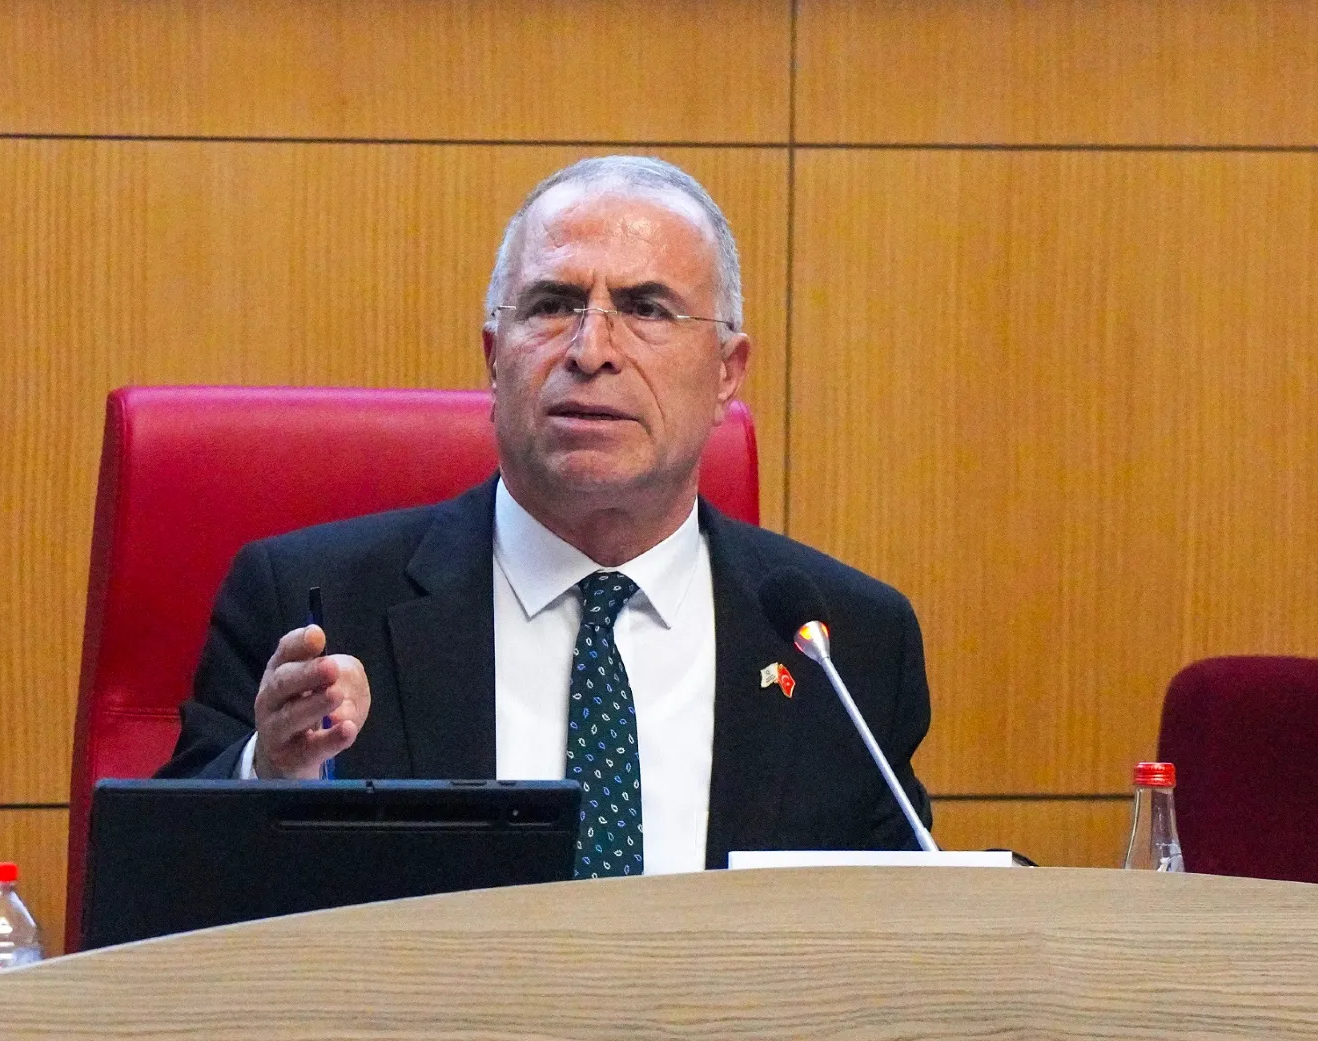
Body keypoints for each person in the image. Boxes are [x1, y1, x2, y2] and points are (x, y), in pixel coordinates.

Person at [159, 155, 932, 872]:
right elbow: (163, 889)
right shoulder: (315, 607)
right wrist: (271, 773)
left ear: (727, 373)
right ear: (495, 359)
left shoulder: (846, 646)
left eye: (647, 308)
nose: (591, 350)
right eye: (554, 305)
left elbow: (905, 930)